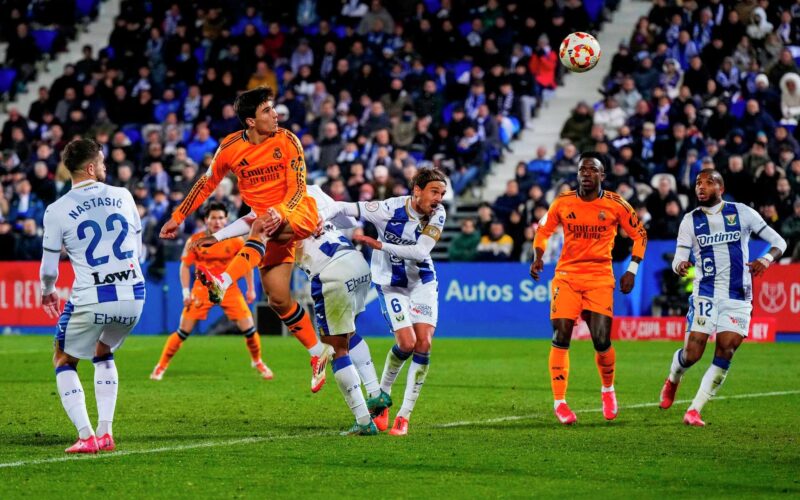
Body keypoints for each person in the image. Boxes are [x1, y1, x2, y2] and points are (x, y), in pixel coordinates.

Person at [159, 87, 333, 393]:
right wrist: (178, 217)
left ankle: (224, 282)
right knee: (277, 298)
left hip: (297, 211)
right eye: (267, 111)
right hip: (267, 222)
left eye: (273, 108)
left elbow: (297, 186)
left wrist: (279, 212)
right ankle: (317, 352)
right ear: (250, 121)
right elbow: (206, 182)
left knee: (259, 226)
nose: (275, 114)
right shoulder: (229, 148)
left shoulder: (287, 139)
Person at [206, 185, 382, 435]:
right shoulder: (313, 191)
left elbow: (254, 225)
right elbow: (349, 218)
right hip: (357, 263)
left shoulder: (275, 208)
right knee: (349, 334)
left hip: (331, 273)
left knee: (335, 349)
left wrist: (219, 243)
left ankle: (364, 420)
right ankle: (377, 396)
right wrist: (324, 217)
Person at [319, 168, 447, 436]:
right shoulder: (388, 208)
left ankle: (404, 416)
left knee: (424, 342)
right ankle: (383, 396)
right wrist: (321, 218)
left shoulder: (439, 214)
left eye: (442, 193)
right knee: (407, 343)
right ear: (417, 191)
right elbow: (344, 206)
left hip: (422, 281)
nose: (439, 198)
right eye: (434, 191)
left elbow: (420, 251)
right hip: (390, 284)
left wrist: (379, 246)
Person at [39, 139, 146, 453]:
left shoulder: (56, 210)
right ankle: (106, 432)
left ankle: (87, 436)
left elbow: (48, 270)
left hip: (93, 295)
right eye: (101, 162)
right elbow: (137, 250)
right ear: (89, 167)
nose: (105, 167)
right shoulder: (123, 195)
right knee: (103, 351)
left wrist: (47, 293)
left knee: (63, 357)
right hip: (134, 294)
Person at [659, 170, 787, 426]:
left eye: (708, 182)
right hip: (705, 294)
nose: (701, 187)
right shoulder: (690, 220)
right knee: (692, 354)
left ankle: (694, 409)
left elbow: (779, 241)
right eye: (698, 183)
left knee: (726, 349)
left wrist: (765, 259)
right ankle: (674, 378)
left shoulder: (742, 212)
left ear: (721, 187)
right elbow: (677, 257)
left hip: (738, 296)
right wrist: (680, 265)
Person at [530, 152, 647, 425]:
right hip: (567, 277)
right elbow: (543, 230)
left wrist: (632, 269)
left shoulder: (616, 204)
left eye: (592, 169)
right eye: (582, 169)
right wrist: (538, 255)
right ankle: (560, 402)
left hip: (599, 278)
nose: (586, 173)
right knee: (561, 334)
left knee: (601, 340)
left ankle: (608, 389)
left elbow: (639, 234)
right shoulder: (563, 202)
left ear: (602, 175)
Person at [150, 202, 270, 381]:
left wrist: (251, 289)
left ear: (226, 219)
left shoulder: (236, 240)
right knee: (183, 331)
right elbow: (185, 266)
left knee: (250, 329)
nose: (217, 221)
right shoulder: (195, 241)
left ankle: (257, 361)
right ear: (206, 220)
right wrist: (185, 292)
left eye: (221, 218)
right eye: (213, 218)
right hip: (202, 290)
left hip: (229, 288)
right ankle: (161, 366)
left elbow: (246, 265)